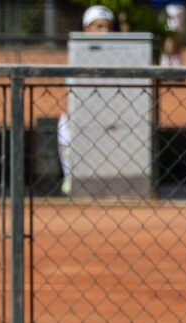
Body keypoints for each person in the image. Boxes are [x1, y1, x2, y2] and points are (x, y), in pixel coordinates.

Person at [57, 5, 116, 196]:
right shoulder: (77, 55)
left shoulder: (119, 56)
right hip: (79, 119)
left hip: (107, 120)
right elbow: (66, 97)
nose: (104, 32)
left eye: (107, 27)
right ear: (86, 29)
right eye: (98, 27)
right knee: (65, 131)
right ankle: (71, 181)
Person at [150, 1, 186, 66]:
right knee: (171, 35)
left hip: (174, 6)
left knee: (175, 35)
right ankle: (166, 61)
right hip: (171, 6)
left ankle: (175, 60)